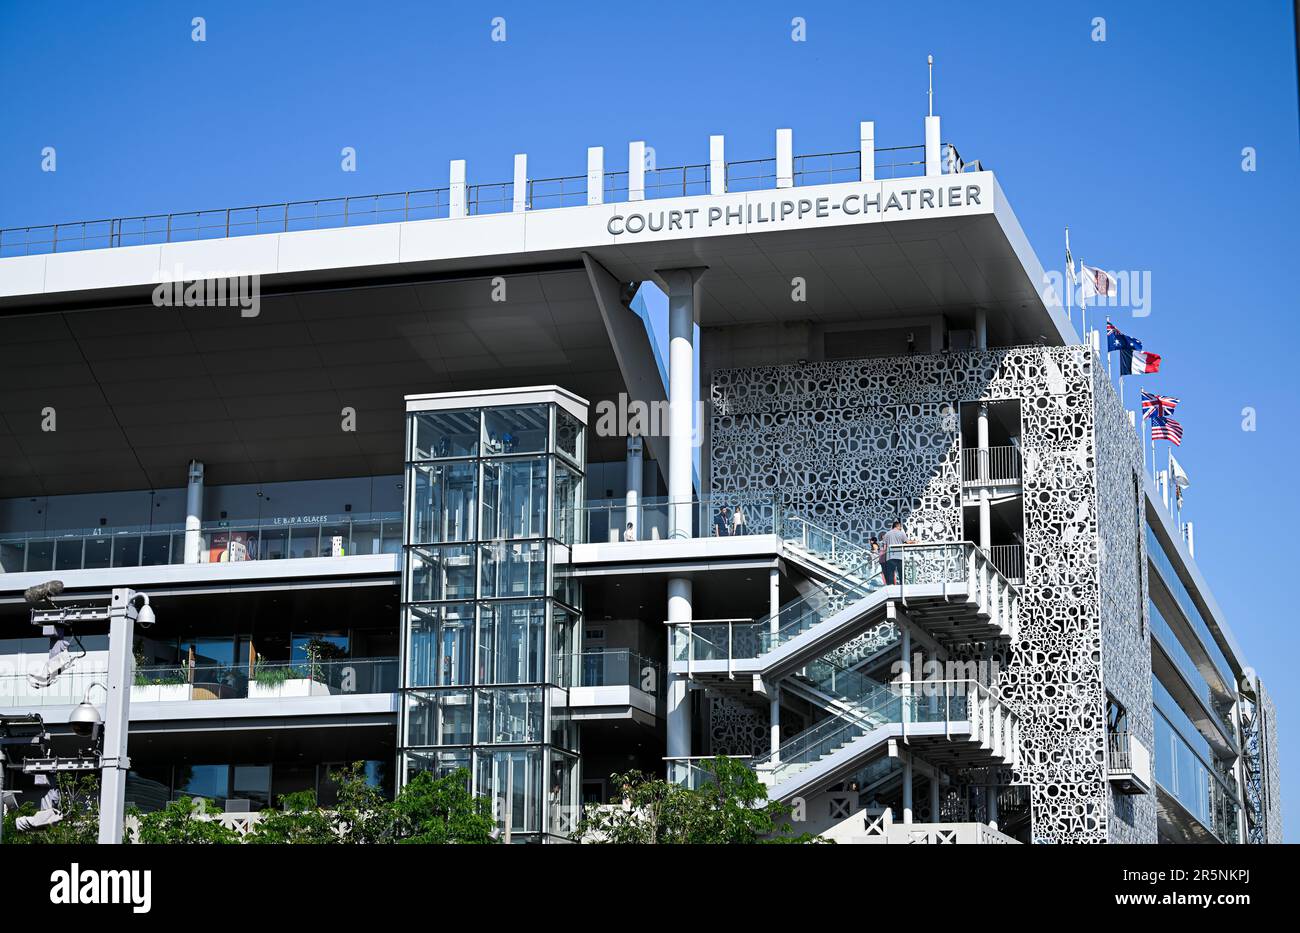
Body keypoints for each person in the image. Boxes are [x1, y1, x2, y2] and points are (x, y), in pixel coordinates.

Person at [880, 520, 915, 586]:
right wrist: (914, 541)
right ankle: (902, 586)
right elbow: (907, 542)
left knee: (890, 573)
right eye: (900, 526)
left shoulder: (887, 534)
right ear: (897, 526)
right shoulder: (901, 533)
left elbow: (884, 546)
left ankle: (891, 586)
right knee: (901, 572)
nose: (901, 528)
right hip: (899, 555)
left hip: (890, 556)